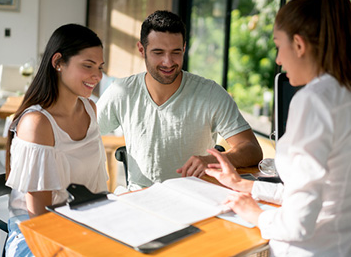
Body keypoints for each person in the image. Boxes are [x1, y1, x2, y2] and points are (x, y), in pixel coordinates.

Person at [205, 0, 351, 256]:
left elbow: (298, 223)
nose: (278, 59)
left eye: (279, 46)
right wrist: (247, 186)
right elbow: (321, 192)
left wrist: (255, 214)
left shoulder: (313, 101)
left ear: (299, 45)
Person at [97, 10, 262, 189]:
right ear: (141, 50)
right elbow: (81, 134)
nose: (168, 62)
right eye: (158, 52)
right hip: (140, 199)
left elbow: (252, 148)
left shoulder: (210, 94)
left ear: (184, 48)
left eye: (176, 52)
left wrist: (213, 160)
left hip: (196, 196)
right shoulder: (122, 92)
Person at [4, 24, 108, 257]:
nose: (98, 76)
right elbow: (39, 217)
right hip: (36, 236)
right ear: (58, 62)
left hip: (83, 223)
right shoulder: (37, 123)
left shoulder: (90, 109)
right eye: (88, 66)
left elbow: (96, 188)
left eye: (100, 67)